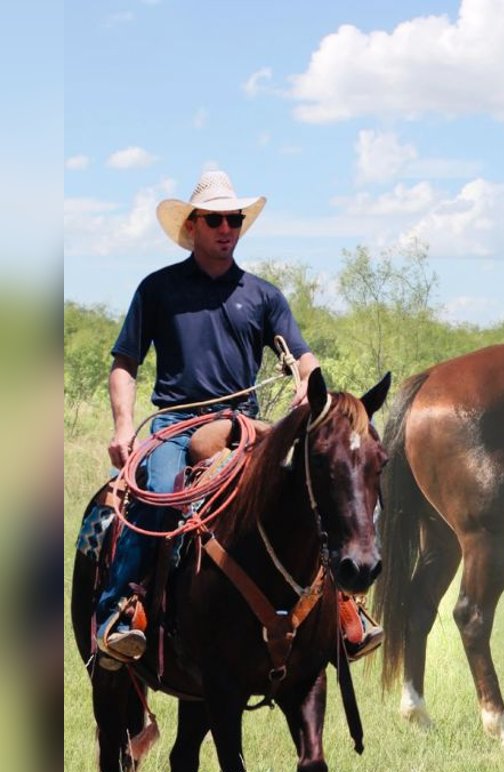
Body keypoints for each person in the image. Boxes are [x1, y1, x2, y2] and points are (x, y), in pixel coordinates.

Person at [95, 170, 383, 665]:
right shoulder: (158, 290)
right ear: (193, 226)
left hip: (245, 426)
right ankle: (122, 609)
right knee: (158, 496)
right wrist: (124, 427)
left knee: (308, 490)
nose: (226, 228)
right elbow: (124, 365)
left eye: (234, 219)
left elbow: (303, 357)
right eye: (215, 220)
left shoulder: (263, 296)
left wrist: (305, 384)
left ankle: (344, 608)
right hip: (177, 426)